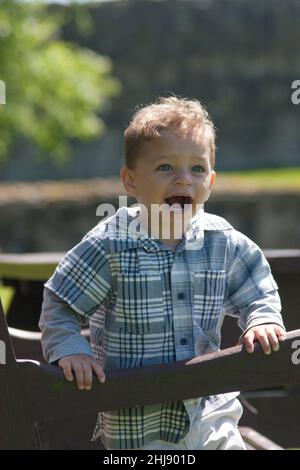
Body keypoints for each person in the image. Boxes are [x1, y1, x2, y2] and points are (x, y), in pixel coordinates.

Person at [39, 96, 285, 450]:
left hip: (208, 411)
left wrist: (261, 319)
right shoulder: (111, 245)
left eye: (197, 169)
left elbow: (257, 288)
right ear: (131, 181)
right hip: (136, 422)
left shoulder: (222, 241)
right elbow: (61, 303)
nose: (183, 180)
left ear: (211, 181)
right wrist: (70, 348)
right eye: (166, 167)